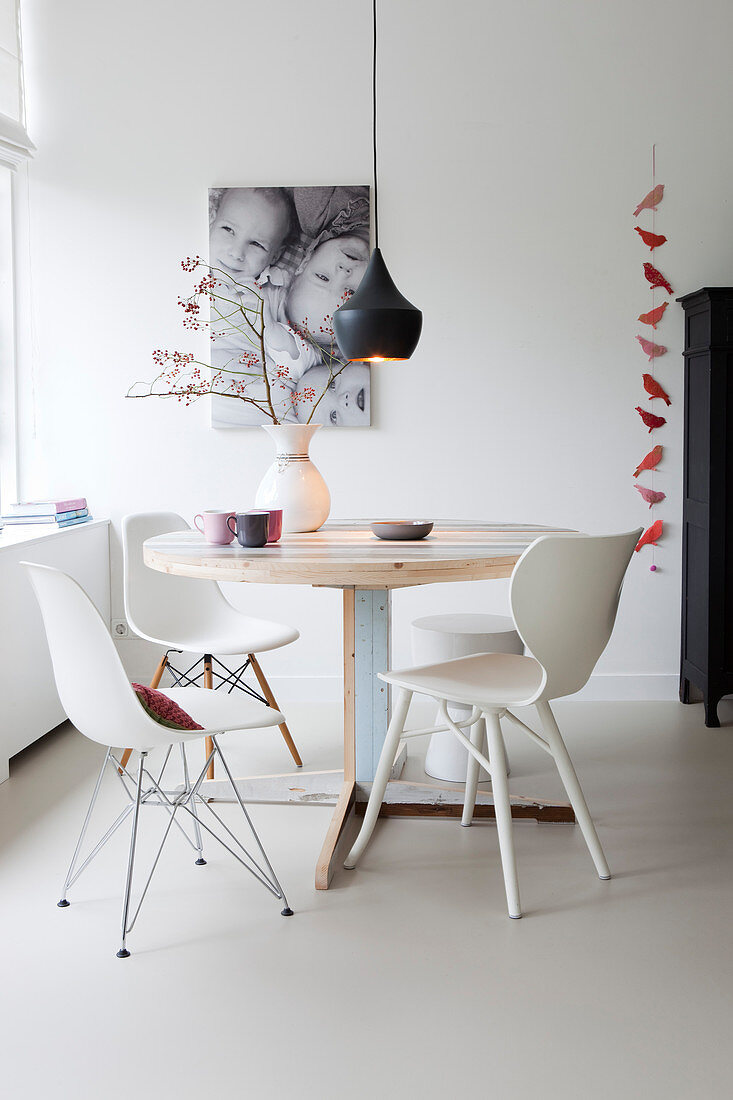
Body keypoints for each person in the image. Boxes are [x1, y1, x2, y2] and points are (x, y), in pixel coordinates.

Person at [208, 187, 295, 288]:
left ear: (275, 256)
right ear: (211, 222)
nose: (236, 253)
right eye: (228, 230)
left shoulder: (276, 293)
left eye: (256, 244)